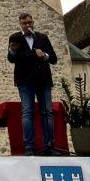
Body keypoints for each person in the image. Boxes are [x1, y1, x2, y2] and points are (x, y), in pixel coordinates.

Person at [7, 11, 60, 155]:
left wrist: (45, 55)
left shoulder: (42, 37)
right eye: (24, 23)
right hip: (25, 81)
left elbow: (54, 58)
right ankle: (29, 147)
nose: (27, 25)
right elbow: (11, 59)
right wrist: (12, 51)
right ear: (20, 24)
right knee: (27, 112)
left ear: (33, 22)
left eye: (29, 22)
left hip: (43, 80)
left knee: (47, 112)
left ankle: (49, 145)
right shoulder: (15, 38)